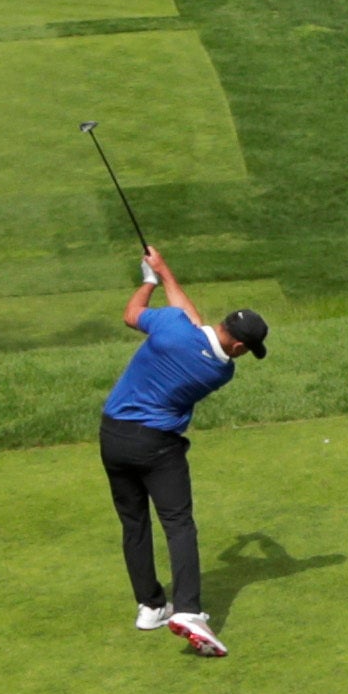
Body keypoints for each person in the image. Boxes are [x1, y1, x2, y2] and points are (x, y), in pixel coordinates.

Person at [99, 247, 265, 658]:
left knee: (133, 522)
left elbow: (133, 313)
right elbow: (194, 325)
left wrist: (150, 280)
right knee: (178, 523)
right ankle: (188, 610)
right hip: (157, 446)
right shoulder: (221, 370)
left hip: (113, 436)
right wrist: (164, 271)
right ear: (240, 345)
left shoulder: (172, 327)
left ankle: (150, 606)